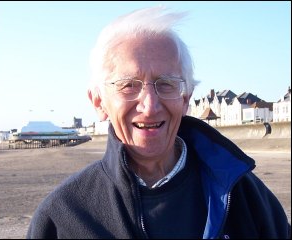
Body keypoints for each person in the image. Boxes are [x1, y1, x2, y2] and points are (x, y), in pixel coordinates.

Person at [27, 6, 290, 239]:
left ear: (186, 98)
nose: (150, 105)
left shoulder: (245, 197)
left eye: (166, 84)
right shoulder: (63, 217)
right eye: (128, 85)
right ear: (98, 102)